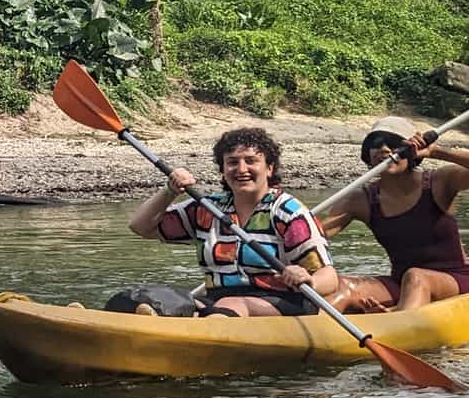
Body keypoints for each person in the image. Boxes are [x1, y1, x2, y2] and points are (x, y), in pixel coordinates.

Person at [129, 125, 338, 317]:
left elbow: (329, 277)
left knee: (231, 305)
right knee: (133, 300)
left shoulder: (288, 212)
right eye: (232, 162)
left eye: (251, 160)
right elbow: (141, 227)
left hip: (284, 301)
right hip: (217, 302)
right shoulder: (208, 208)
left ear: (270, 168)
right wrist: (170, 191)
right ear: (223, 170)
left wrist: (309, 279)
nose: (241, 169)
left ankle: (209, 328)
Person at [321, 116, 469, 313]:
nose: (384, 149)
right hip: (401, 283)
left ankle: (396, 319)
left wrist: (436, 151)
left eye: (393, 144)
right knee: (342, 285)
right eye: (375, 143)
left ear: (412, 152)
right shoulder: (360, 199)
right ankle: (313, 329)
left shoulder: (439, 182)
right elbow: (317, 235)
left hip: (455, 279)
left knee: (416, 277)